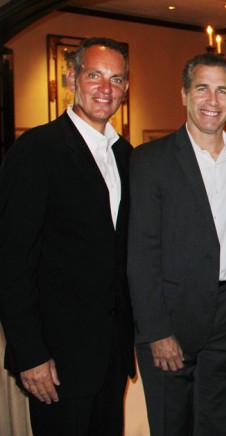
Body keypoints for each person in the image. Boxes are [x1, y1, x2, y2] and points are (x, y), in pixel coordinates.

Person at [0, 37, 135, 435]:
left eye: (116, 79)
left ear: (126, 88)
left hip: (109, 355)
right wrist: (30, 354)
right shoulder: (36, 150)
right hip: (55, 361)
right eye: (94, 75)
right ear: (72, 78)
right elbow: (11, 261)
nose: (105, 88)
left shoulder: (126, 156)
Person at [127, 53, 226, 435]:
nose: (212, 101)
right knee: (173, 425)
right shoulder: (150, 159)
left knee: (216, 424)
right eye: (202, 88)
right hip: (171, 317)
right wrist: (155, 330)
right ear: (184, 94)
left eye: (222, 91)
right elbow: (141, 253)